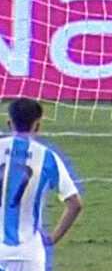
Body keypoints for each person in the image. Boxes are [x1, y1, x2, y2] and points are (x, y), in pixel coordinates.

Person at [0, 99, 83, 271]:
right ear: (37, 125)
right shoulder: (47, 157)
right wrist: (53, 238)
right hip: (30, 254)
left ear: (9, 123)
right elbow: (75, 204)